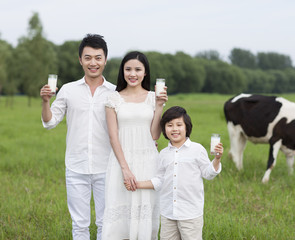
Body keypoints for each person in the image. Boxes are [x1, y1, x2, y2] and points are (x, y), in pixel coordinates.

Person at [40, 34, 116, 240]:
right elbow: (49, 122)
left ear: (105, 60)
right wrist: (46, 101)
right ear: (80, 60)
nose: (93, 62)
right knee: (79, 225)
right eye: (88, 57)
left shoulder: (115, 92)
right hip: (76, 167)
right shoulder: (68, 90)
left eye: (98, 58)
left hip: (107, 167)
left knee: (105, 224)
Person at [101, 51, 168, 240]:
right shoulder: (112, 99)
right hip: (120, 162)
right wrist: (125, 168)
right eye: (128, 69)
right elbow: (113, 137)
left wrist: (160, 106)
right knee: (119, 219)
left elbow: (155, 135)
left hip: (148, 161)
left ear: (145, 73)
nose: (133, 74)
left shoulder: (153, 97)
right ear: (122, 72)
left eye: (138, 69)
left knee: (144, 216)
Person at [130, 106, 223, 240]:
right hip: (168, 213)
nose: (174, 129)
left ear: (187, 127)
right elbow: (160, 180)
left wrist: (217, 159)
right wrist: (137, 184)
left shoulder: (197, 149)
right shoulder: (163, 154)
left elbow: (208, 174)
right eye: (169, 125)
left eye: (179, 125)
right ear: (164, 129)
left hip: (190, 213)